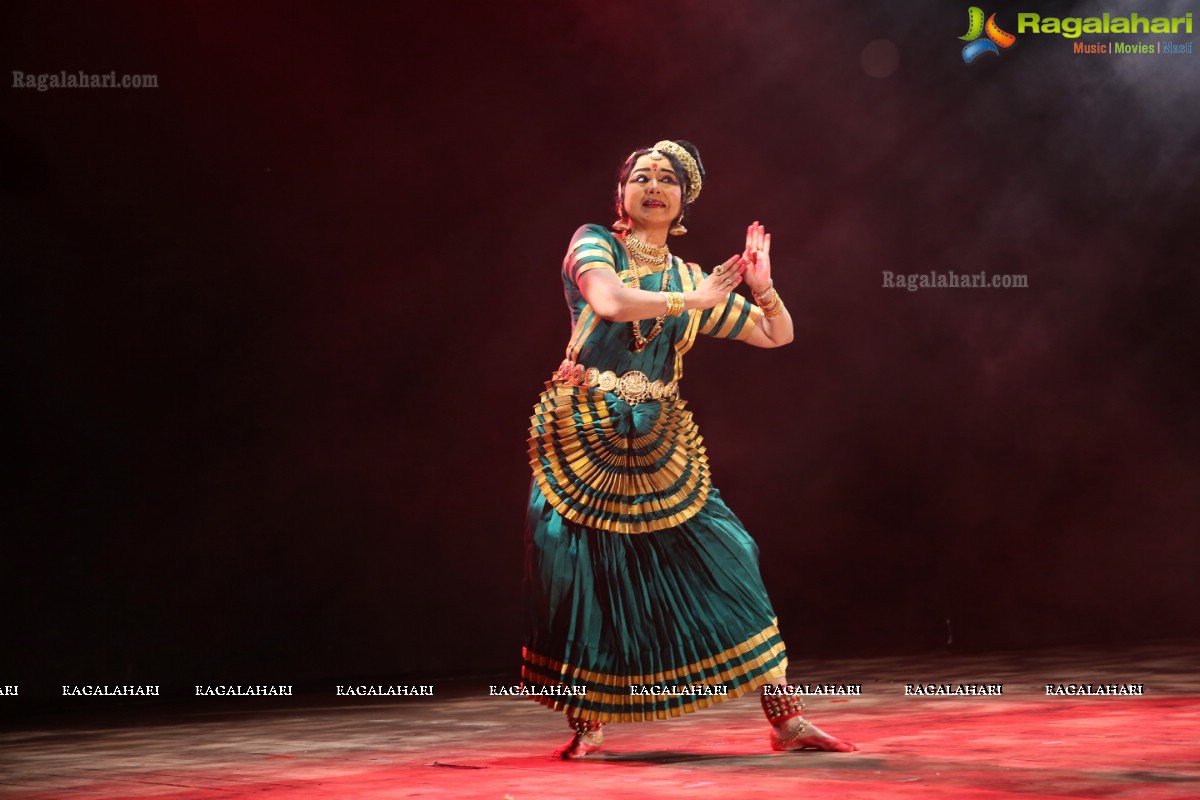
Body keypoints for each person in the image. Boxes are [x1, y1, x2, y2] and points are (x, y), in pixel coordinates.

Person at [522, 140, 856, 758]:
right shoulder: (594, 243)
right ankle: (589, 725)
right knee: (582, 575)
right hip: (583, 430)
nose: (653, 185)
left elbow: (777, 334)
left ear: (683, 202)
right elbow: (609, 301)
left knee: (732, 550)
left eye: (667, 179)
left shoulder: (692, 281)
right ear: (621, 195)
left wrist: (764, 288)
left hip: (655, 437)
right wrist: (693, 302)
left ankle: (785, 721)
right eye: (640, 176)